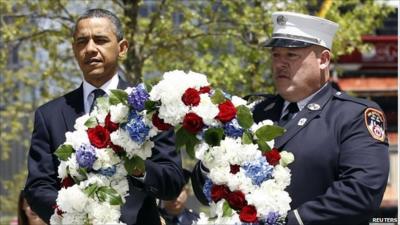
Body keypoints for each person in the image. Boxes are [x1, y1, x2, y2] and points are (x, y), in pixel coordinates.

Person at [191, 11, 389, 225]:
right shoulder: (252, 112)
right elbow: (206, 191)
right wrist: (210, 160)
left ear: (323, 60)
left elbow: (361, 192)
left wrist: (290, 221)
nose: (280, 64)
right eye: (276, 55)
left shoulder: (352, 115)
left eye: (291, 55)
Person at [23, 8, 185, 225]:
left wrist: (138, 168)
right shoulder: (49, 115)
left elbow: (173, 181)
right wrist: (74, 215)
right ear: (74, 50)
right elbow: (37, 187)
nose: (90, 48)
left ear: (122, 48)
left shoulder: (149, 108)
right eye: (82, 42)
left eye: (100, 40)